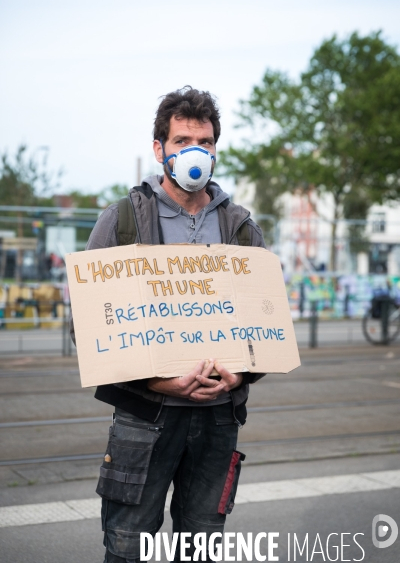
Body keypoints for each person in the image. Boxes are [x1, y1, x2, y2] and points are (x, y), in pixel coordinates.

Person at [71, 86, 266, 562]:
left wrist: (240, 375)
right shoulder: (121, 223)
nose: (194, 153)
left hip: (219, 418)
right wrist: (162, 381)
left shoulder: (241, 228)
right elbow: (91, 327)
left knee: (202, 547)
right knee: (127, 546)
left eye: (205, 141)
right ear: (159, 149)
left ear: (216, 149)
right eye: (182, 142)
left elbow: (265, 325)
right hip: (145, 419)